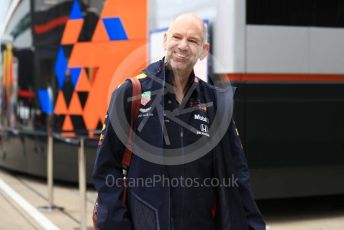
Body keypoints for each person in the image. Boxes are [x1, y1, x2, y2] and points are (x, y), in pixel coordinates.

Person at [93, 13, 266, 230]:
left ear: (204, 50)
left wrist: (253, 225)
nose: (183, 46)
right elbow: (107, 169)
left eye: (193, 40)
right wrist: (117, 225)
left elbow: (237, 172)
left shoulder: (215, 101)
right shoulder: (131, 93)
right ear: (165, 40)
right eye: (177, 37)